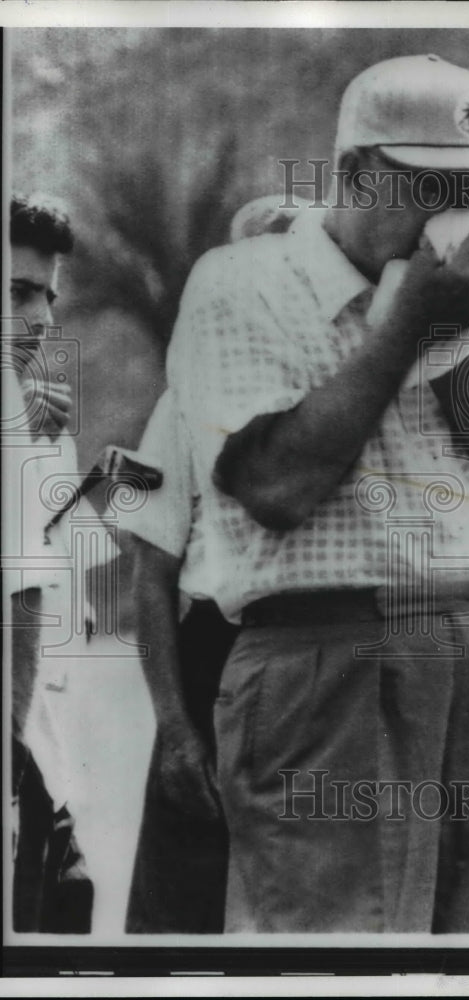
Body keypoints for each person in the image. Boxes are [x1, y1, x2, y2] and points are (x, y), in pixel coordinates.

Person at [164, 54, 469, 933]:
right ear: (357, 170)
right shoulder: (241, 282)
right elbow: (277, 485)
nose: (457, 216)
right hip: (325, 664)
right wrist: (402, 333)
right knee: (329, 961)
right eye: (434, 186)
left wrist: (461, 378)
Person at [123, 197, 299, 933]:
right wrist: (175, 726)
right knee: (184, 904)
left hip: (314, 659)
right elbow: (152, 574)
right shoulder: (184, 401)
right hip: (215, 656)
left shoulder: (344, 396)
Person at [4, 193, 97, 932]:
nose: (38, 319)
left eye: (46, 297)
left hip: (41, 765)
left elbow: (62, 589)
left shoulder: (37, 417)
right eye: (16, 293)